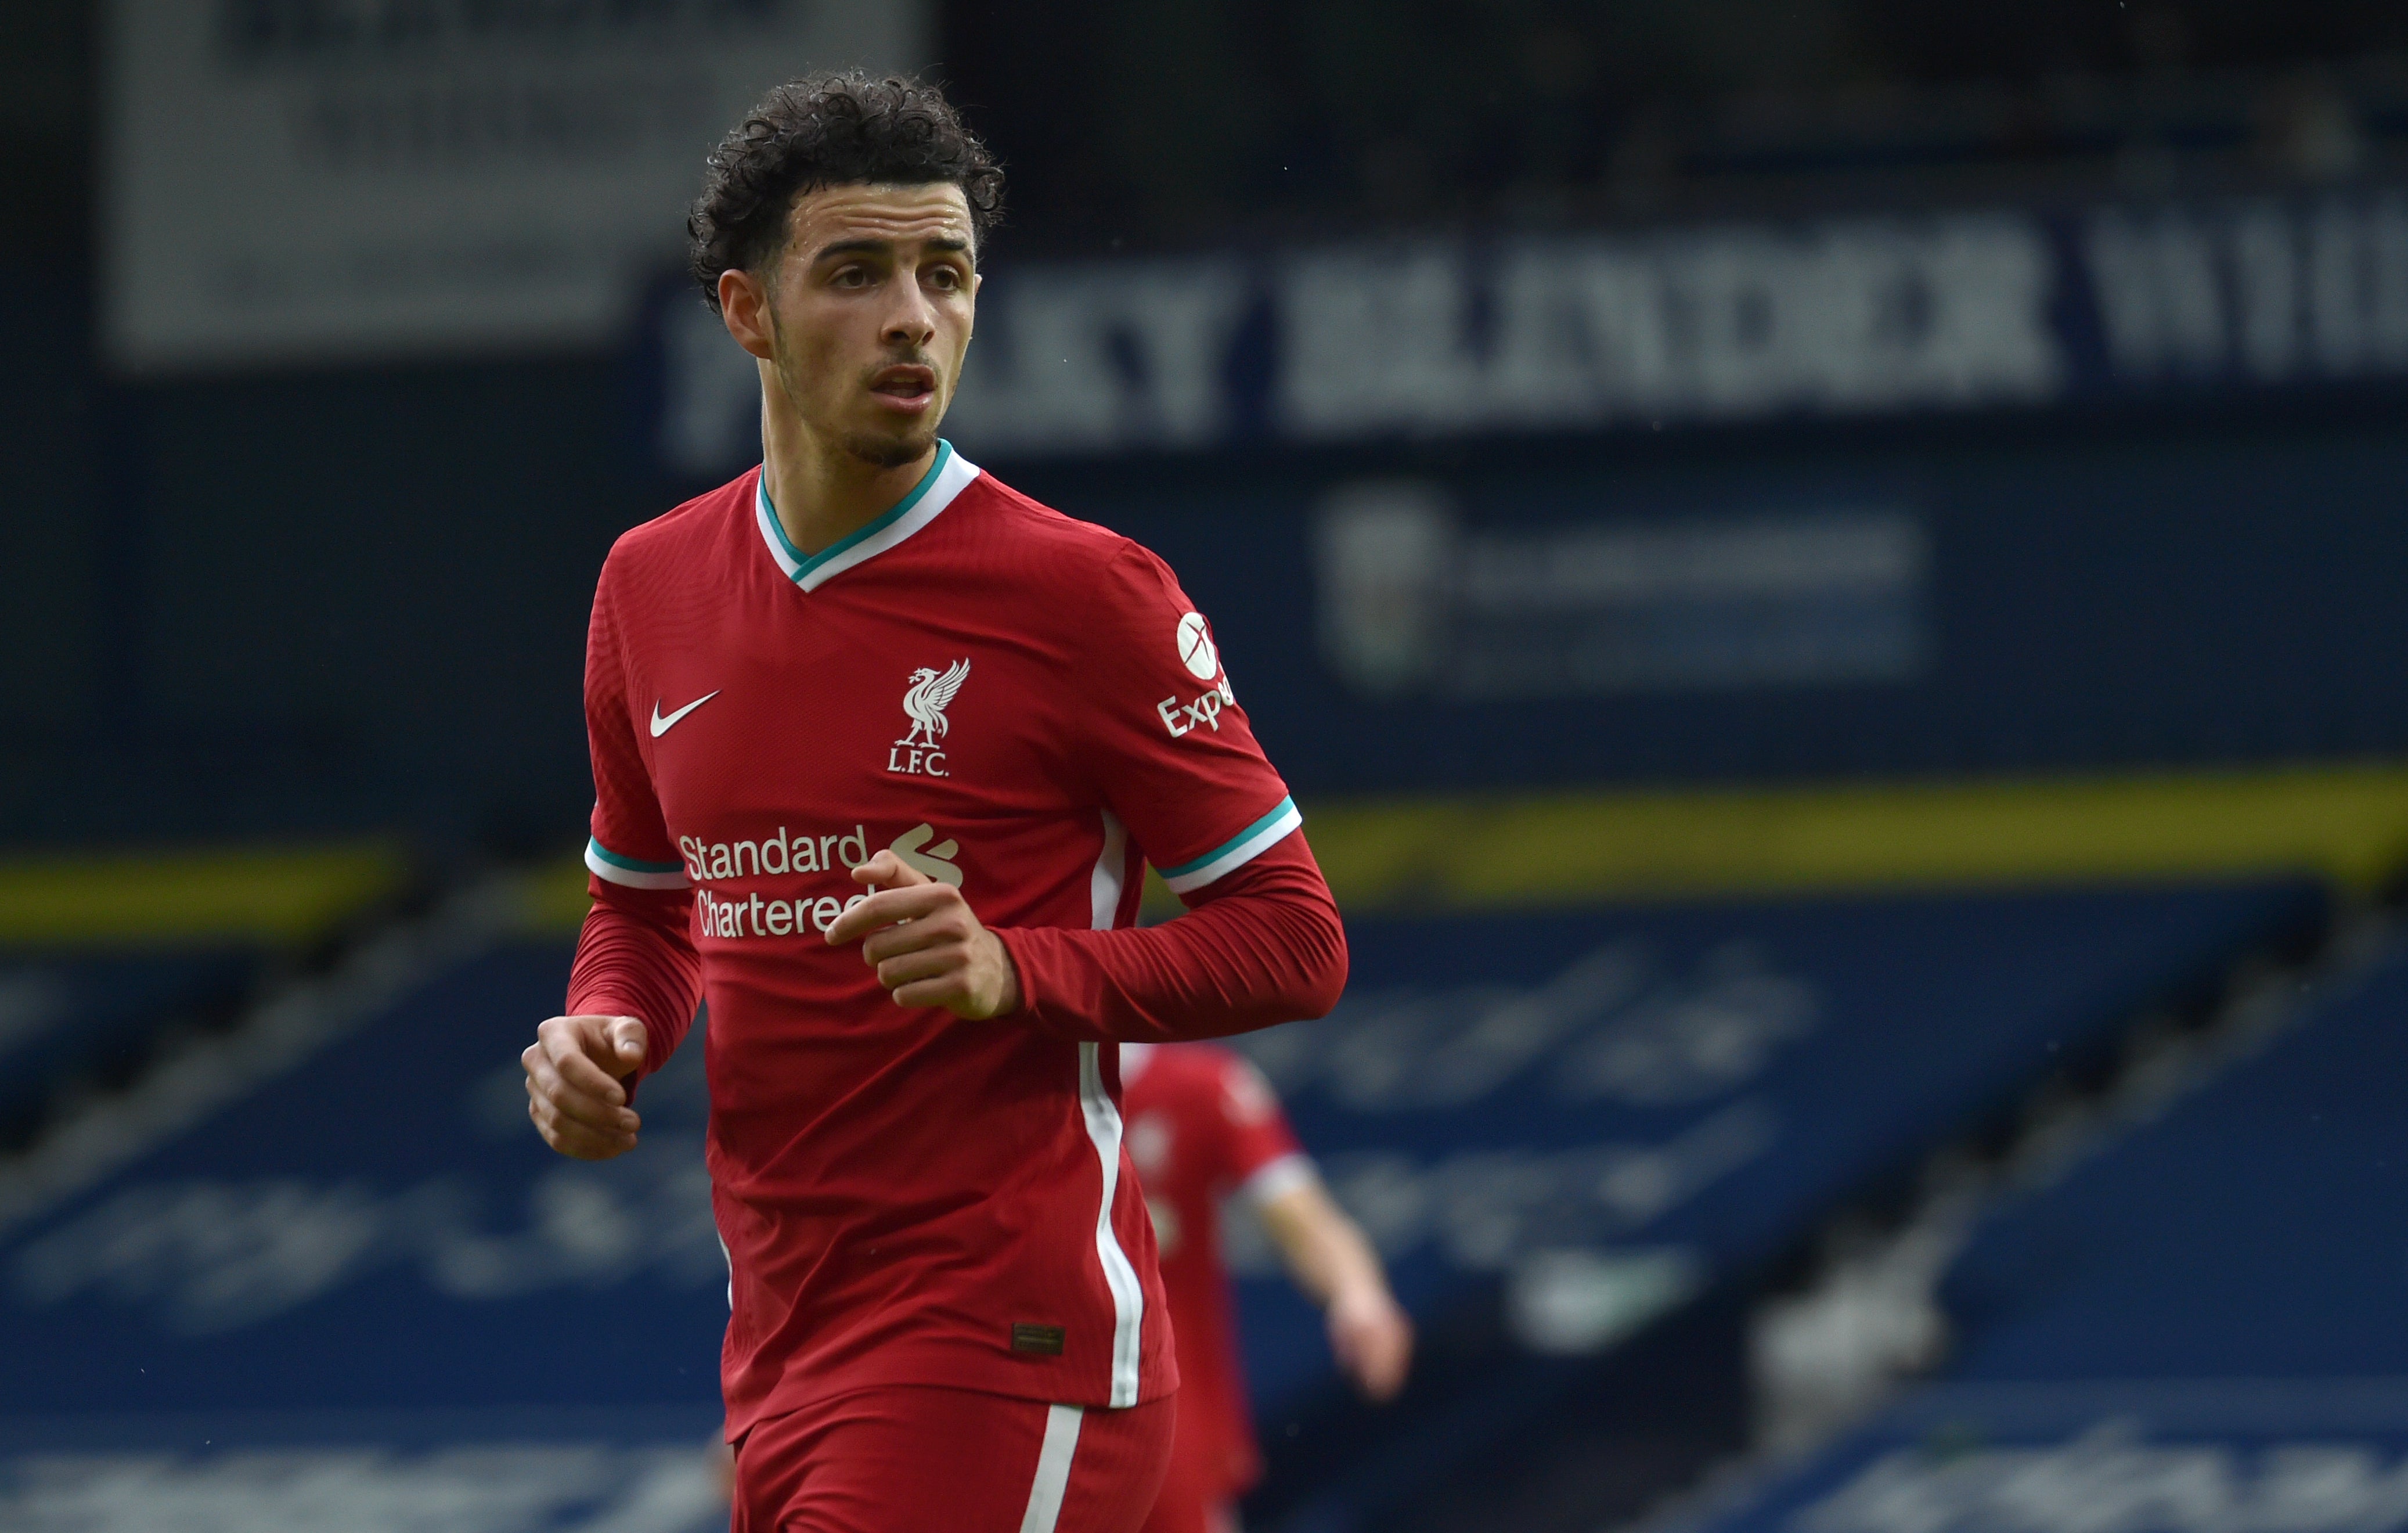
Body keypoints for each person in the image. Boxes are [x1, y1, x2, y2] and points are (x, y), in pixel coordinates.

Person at [516, 73, 1348, 1533]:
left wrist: (1014, 966)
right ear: (746, 313)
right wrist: (613, 1029)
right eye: (856, 273)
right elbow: (640, 907)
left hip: (1004, 1336)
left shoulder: (1084, 594)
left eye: (944, 274)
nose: (914, 315)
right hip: (780, 1345)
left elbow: (1293, 940)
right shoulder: (647, 590)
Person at [1120, 1043, 1412, 1533]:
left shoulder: (1200, 1087)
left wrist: (1358, 1294)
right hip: (1019, 1402)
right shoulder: (993, 1078)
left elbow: (1300, 1213)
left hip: (1168, 1425)